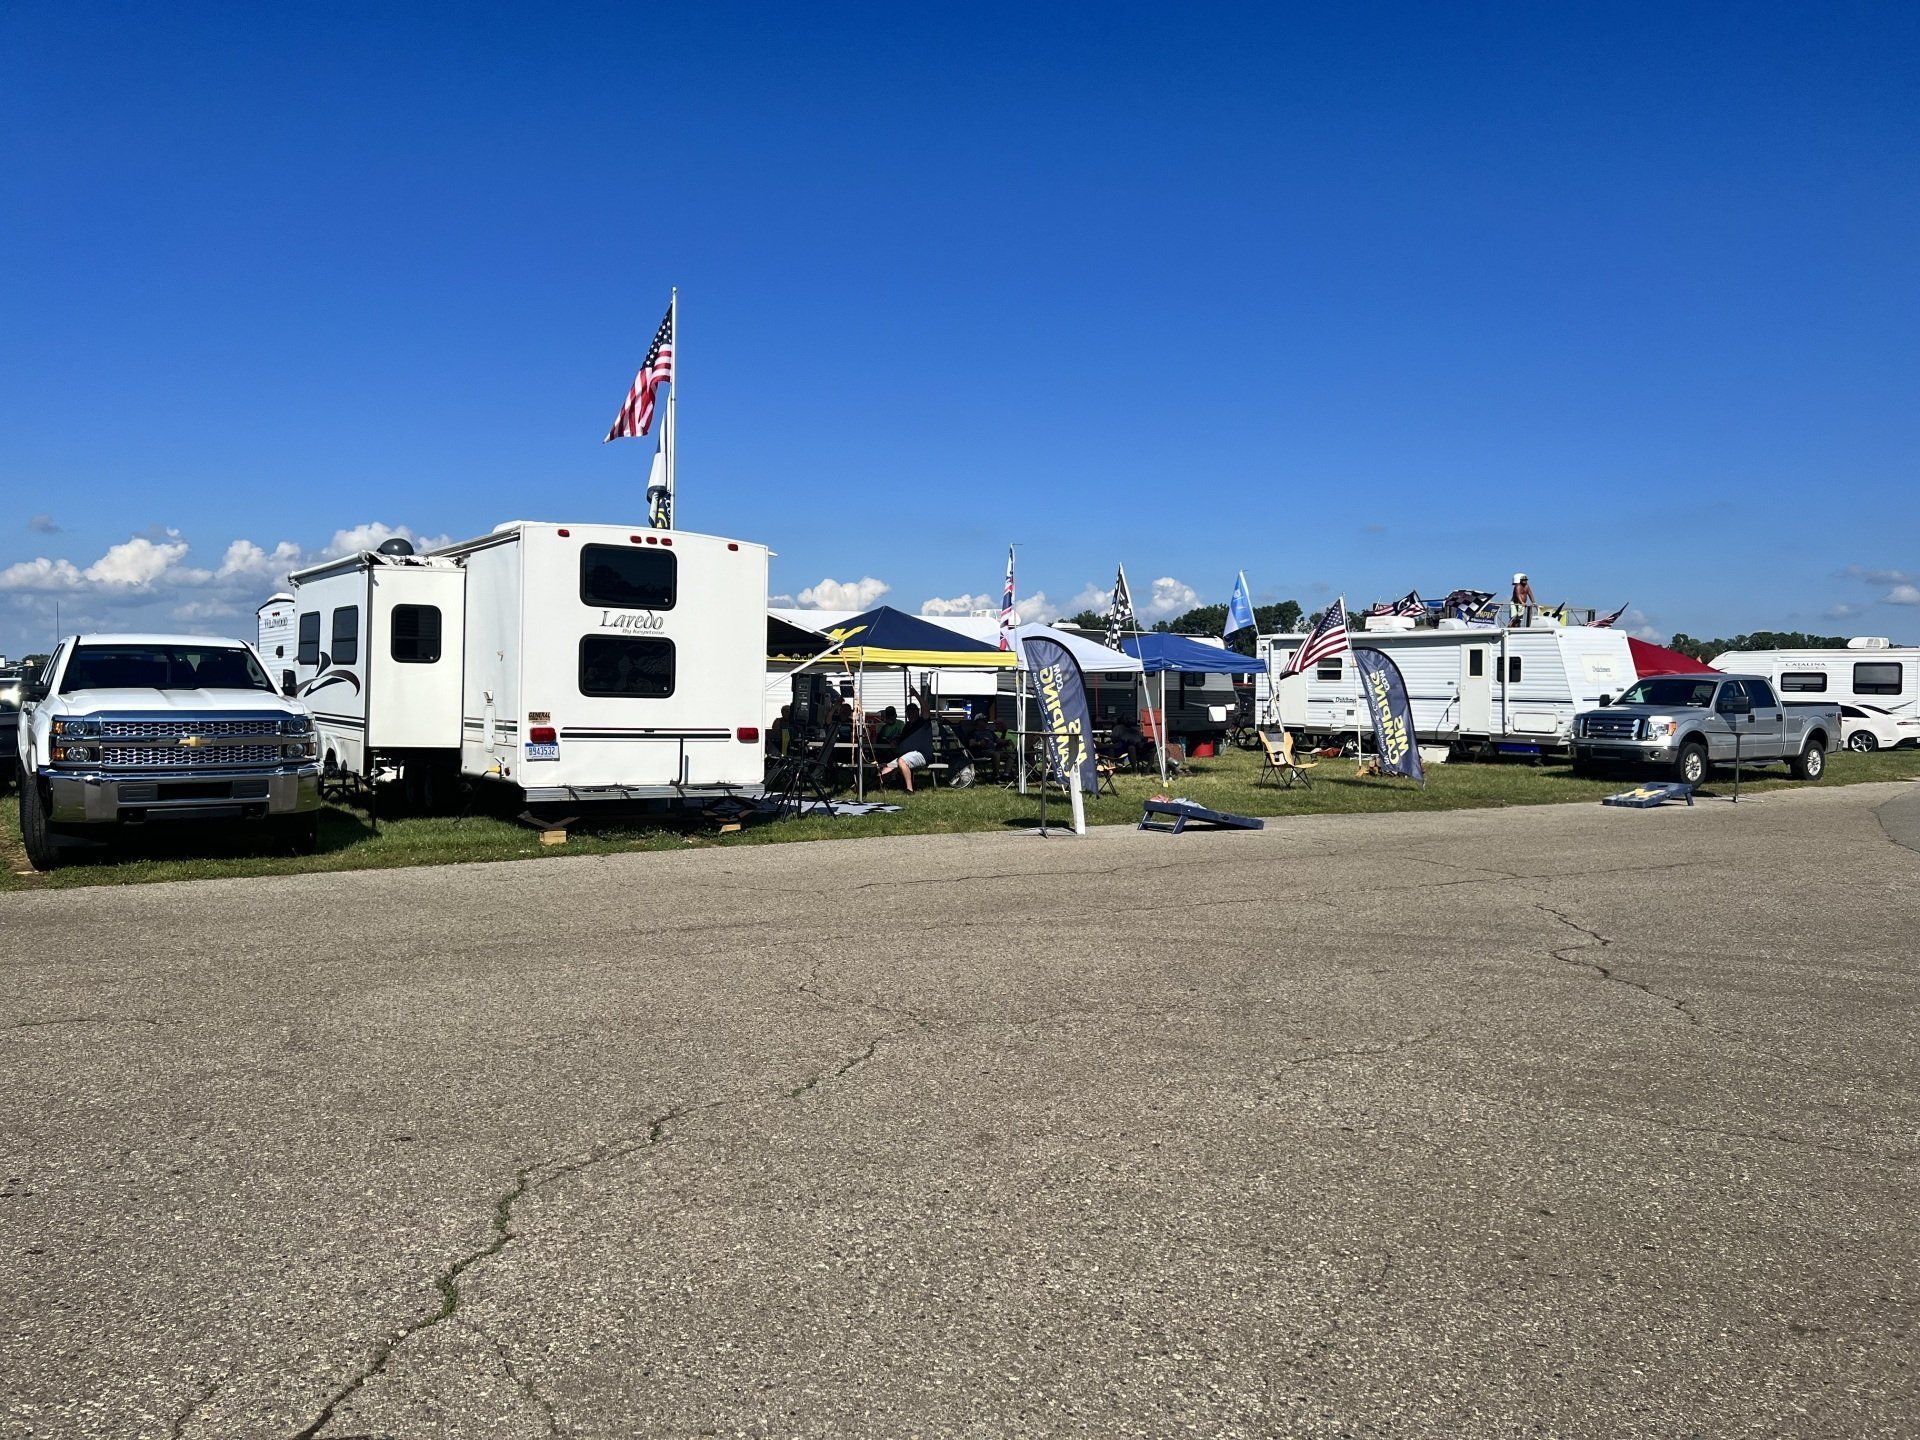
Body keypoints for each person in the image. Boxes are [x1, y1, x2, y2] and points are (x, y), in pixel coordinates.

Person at [876, 702, 935, 792]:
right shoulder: (907, 725)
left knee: (901, 761)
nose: (910, 714)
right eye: (908, 712)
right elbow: (901, 737)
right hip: (905, 754)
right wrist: (895, 741)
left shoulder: (923, 722)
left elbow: (926, 709)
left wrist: (916, 694)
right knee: (887, 768)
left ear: (917, 712)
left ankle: (909, 789)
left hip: (922, 754)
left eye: (913, 712)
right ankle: (871, 786)